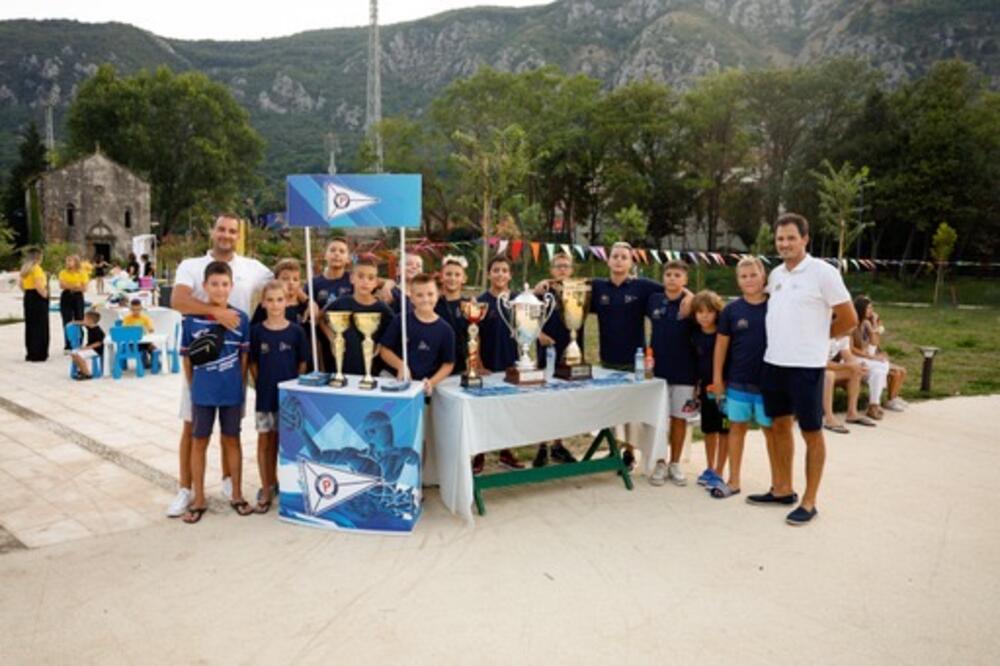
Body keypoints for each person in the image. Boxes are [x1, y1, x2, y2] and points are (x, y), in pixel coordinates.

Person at [167, 214, 273, 518]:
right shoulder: (190, 265)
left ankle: (231, 486)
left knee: (231, 433)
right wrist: (218, 312)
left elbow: (282, 278)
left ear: (238, 235)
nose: (226, 235)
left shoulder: (252, 268)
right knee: (192, 429)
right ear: (212, 231)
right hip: (201, 367)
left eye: (232, 231)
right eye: (221, 229)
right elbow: (178, 300)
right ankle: (187, 490)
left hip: (231, 370)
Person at [758, 213, 858, 526]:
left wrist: (820, 337)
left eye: (790, 237)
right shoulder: (775, 275)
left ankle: (809, 500)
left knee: (812, 432)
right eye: (780, 238)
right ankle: (783, 490)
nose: (784, 243)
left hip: (806, 368)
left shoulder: (823, 273)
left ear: (805, 239)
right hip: (774, 363)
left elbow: (849, 318)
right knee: (779, 426)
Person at [179, 261, 253, 524]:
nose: (220, 289)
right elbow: (187, 359)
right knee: (200, 442)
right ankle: (199, 498)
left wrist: (240, 387)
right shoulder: (190, 321)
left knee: (232, 440)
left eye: (224, 284)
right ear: (205, 286)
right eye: (214, 284)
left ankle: (237, 493)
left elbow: (244, 358)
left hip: (231, 392)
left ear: (231, 287)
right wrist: (194, 386)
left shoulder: (241, 319)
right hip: (203, 393)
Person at [590, 242, 665, 470]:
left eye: (624, 257)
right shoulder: (598, 287)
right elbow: (568, 290)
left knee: (632, 412)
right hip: (607, 361)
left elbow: (672, 289)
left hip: (635, 362)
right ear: (608, 260)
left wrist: (690, 296)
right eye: (615, 256)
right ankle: (614, 450)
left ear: (631, 262)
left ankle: (630, 453)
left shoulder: (642, 287)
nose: (619, 260)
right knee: (612, 411)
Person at [711, 257, 775, 501]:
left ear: (763, 276)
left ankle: (778, 483)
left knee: (771, 432)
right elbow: (720, 347)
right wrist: (718, 378)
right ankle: (734, 480)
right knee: (737, 428)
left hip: (769, 383)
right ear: (738, 281)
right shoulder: (731, 310)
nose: (749, 280)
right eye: (743, 276)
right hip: (738, 382)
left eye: (753, 275)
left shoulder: (776, 306)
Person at [249, 280, 309, 513]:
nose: (275, 305)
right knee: (265, 441)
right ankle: (266, 487)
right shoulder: (257, 332)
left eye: (280, 299)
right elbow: (253, 364)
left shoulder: (296, 331)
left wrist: (292, 389)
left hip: (289, 399)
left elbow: (302, 364)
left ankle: (292, 488)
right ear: (263, 303)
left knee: (290, 442)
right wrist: (262, 384)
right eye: (270, 300)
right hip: (265, 397)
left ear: (287, 301)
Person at [646, 260, 698, 486]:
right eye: (668, 274)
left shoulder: (692, 304)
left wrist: (690, 295)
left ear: (685, 280)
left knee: (679, 419)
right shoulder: (654, 300)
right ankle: (659, 461)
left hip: (685, 371)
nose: (672, 278)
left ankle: (675, 462)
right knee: (660, 419)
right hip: (658, 372)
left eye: (678, 275)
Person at [473, 255, 525, 473]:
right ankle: (479, 455)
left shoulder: (518, 301)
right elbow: (474, 336)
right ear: (489, 274)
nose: (500, 274)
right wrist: (478, 363)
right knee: (485, 410)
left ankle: (506, 452)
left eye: (504, 270)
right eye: (496, 270)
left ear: (510, 275)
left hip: (512, 364)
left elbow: (525, 331)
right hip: (489, 365)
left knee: (509, 410)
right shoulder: (480, 302)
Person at [530, 251, 580, 467]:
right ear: (551, 270)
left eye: (566, 266)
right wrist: (538, 334)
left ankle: (558, 445)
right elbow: (525, 318)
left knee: (564, 401)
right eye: (558, 266)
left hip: (571, 352)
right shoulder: (542, 292)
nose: (562, 269)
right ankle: (542, 446)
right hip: (546, 351)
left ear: (572, 270)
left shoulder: (579, 291)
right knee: (544, 401)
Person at [380, 273, 456, 396]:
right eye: (419, 295)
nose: (425, 299)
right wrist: (401, 365)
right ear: (411, 297)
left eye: (430, 294)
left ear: (438, 295)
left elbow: (448, 364)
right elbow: (384, 350)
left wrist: (431, 382)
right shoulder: (401, 321)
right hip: (395, 381)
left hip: (425, 386)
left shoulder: (446, 330)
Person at [322, 254, 394, 377]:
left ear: (376, 283)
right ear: (352, 278)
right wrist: (332, 337)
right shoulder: (341, 303)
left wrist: (382, 344)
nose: (365, 282)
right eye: (360, 276)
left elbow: (393, 331)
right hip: (344, 365)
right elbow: (322, 318)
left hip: (372, 368)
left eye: (370, 278)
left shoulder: (382, 309)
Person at [690, 290, 729, 489]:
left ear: (717, 313)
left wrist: (725, 384)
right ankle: (710, 467)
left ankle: (720, 470)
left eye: (709, 311)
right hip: (706, 390)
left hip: (724, 392)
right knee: (709, 430)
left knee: (724, 431)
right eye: (700, 312)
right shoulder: (695, 335)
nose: (704, 315)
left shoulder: (723, 334)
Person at [850, 296, 907, 414]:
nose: (871, 311)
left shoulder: (866, 323)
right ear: (861, 309)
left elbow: (874, 343)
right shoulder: (853, 325)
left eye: (872, 308)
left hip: (864, 357)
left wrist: (875, 323)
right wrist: (872, 357)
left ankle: (875, 404)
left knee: (881, 367)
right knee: (882, 366)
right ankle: (877, 404)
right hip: (852, 358)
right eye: (869, 308)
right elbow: (851, 349)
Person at [822, 337, 876, 433]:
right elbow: (821, 362)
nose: (852, 329)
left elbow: (848, 357)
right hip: (810, 370)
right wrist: (846, 366)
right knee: (829, 376)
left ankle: (852, 413)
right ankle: (829, 418)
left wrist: (859, 365)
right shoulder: (824, 336)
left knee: (855, 371)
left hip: (826, 369)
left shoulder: (844, 337)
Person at [434, 255, 472, 378]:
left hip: (462, 367)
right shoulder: (433, 304)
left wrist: (476, 364)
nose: (452, 278)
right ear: (441, 277)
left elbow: (475, 336)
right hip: (436, 368)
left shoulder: (470, 304)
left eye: (457, 275)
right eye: (448, 274)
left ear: (464, 279)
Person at [20, 249, 49, 362]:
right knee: (40, 325)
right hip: (37, 297)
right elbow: (38, 285)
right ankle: (39, 354)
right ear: (38, 257)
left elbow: (20, 284)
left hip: (28, 296)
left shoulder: (25, 269)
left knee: (30, 325)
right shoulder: (37, 269)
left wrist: (27, 292)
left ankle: (31, 352)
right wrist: (45, 295)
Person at [58, 255, 88, 351]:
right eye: (67, 261)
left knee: (79, 319)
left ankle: (79, 342)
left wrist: (69, 285)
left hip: (78, 297)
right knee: (67, 321)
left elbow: (84, 288)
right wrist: (75, 286)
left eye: (70, 261)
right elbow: (62, 285)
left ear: (76, 262)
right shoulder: (63, 272)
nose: (68, 263)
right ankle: (68, 344)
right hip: (66, 297)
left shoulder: (82, 273)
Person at [122, 297, 156, 369]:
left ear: (141, 309)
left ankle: (155, 363)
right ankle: (145, 363)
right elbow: (124, 330)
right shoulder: (127, 319)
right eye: (134, 310)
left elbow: (151, 329)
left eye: (138, 309)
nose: (136, 312)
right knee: (141, 348)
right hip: (132, 342)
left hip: (144, 341)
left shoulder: (145, 318)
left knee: (153, 348)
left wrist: (149, 329)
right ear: (130, 309)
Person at [69, 310, 105, 379]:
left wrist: (86, 348)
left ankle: (87, 374)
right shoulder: (90, 326)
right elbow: (82, 323)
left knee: (78, 354)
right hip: (90, 348)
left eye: (85, 318)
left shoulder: (97, 331)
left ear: (90, 321)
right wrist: (74, 322)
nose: (83, 320)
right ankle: (82, 370)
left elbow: (99, 343)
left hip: (96, 350)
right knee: (73, 353)